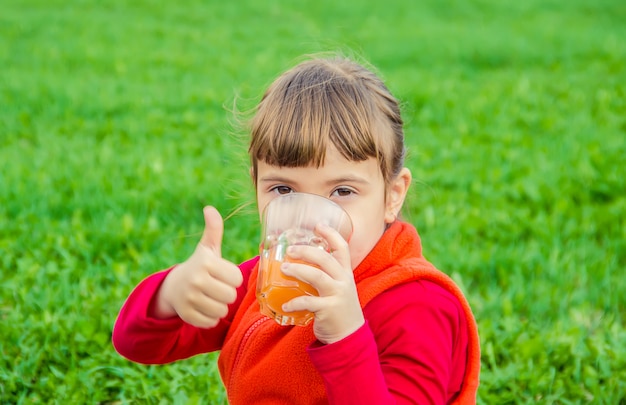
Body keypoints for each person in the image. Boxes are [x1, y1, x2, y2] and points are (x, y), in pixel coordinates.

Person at [113, 54, 480, 404]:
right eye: (284, 190)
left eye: (342, 191)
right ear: (257, 185)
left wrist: (346, 335)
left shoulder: (418, 306)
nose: (311, 222)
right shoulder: (266, 281)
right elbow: (136, 344)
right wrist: (171, 294)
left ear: (392, 196)